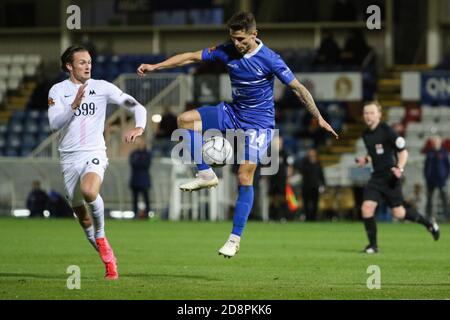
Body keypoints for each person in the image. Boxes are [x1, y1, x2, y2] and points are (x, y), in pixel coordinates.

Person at [137, 12, 338, 258]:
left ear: (255, 34)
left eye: (241, 39)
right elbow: (190, 57)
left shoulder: (270, 59)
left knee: (244, 175)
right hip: (233, 112)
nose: (237, 44)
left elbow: (298, 89)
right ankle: (206, 173)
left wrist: (319, 118)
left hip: (259, 125)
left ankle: (234, 238)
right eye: (233, 38)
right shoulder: (226, 50)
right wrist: (155, 66)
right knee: (184, 120)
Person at [48, 45, 147, 279]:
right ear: (69, 66)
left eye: (89, 61)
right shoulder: (58, 90)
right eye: (82, 62)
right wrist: (73, 106)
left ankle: (101, 235)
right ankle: (109, 260)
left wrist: (139, 126)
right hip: (69, 158)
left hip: (94, 152)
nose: (88, 65)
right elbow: (54, 124)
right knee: (82, 216)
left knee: (89, 190)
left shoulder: (102, 87)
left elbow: (136, 106)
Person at [355, 101, 439, 254]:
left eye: (372, 112)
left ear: (379, 114)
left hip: (390, 177)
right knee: (366, 208)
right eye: (366, 113)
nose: (369, 116)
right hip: (376, 178)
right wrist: (365, 160)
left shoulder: (387, 131)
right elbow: (374, 153)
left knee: (398, 213)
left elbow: (403, 151)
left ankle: (429, 223)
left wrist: (399, 168)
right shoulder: (365, 134)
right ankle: (373, 246)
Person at [424, 135, 450, 220]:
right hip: (431, 180)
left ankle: (447, 217)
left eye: (437, 141)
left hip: (441, 180)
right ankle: (429, 216)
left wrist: (445, 176)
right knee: (430, 199)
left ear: (440, 142)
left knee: (444, 199)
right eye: (434, 142)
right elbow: (426, 166)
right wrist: (426, 176)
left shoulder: (444, 152)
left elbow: (447, 166)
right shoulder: (430, 152)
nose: (435, 143)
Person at [298, 148, 325, 221]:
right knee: (306, 204)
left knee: (315, 203)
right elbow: (301, 171)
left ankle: (314, 218)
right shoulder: (305, 162)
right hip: (306, 186)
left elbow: (321, 175)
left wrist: (322, 185)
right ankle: (307, 218)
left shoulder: (318, 163)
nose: (312, 155)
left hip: (315, 187)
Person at [129, 137, 152, 219]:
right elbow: (133, 164)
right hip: (135, 179)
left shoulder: (147, 154)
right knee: (135, 198)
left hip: (144, 179)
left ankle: (147, 213)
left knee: (146, 198)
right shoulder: (133, 153)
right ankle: (135, 214)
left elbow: (145, 165)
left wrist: (138, 163)